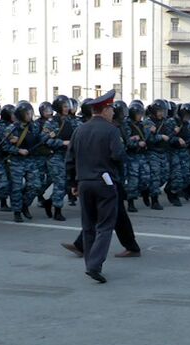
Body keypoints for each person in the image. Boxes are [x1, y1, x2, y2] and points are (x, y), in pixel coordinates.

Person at [66, 90, 123, 284]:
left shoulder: (79, 130)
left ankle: (90, 262)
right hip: (105, 182)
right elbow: (118, 156)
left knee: (88, 225)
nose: (113, 112)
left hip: (84, 183)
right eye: (111, 109)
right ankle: (94, 265)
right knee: (105, 226)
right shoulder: (111, 130)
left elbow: (70, 160)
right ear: (105, 109)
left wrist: (73, 183)